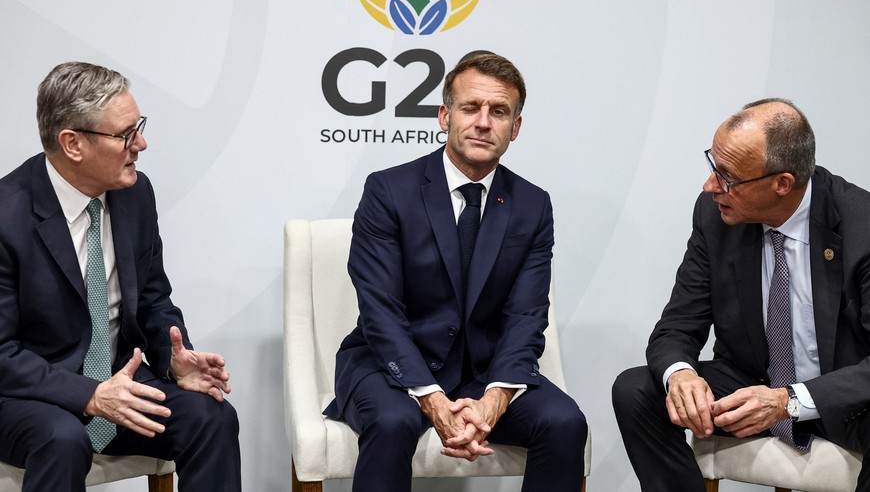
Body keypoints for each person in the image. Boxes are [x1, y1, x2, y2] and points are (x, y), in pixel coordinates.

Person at [323, 53, 587, 491]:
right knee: (391, 422)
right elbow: (380, 312)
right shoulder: (388, 190)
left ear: (515, 128)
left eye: (499, 111)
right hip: (391, 369)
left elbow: (526, 315)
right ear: (445, 116)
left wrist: (496, 397)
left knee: (563, 421)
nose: (484, 122)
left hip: (486, 370)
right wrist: (431, 398)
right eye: (470, 108)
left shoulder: (532, 204)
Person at [0, 62, 241, 492]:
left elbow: (152, 298)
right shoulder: (7, 216)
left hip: (118, 380)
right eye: (126, 134)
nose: (141, 144)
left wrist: (173, 360)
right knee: (62, 437)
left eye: (139, 127)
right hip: (25, 394)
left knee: (212, 417)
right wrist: (89, 396)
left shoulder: (135, 194)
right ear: (72, 144)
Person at [612, 98, 870, 491]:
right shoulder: (714, 214)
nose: (711, 185)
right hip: (754, 382)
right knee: (636, 390)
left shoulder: (861, 226)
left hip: (844, 397)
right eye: (712, 166)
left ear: (782, 183)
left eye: (727, 177)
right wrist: (680, 375)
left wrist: (789, 402)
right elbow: (677, 326)